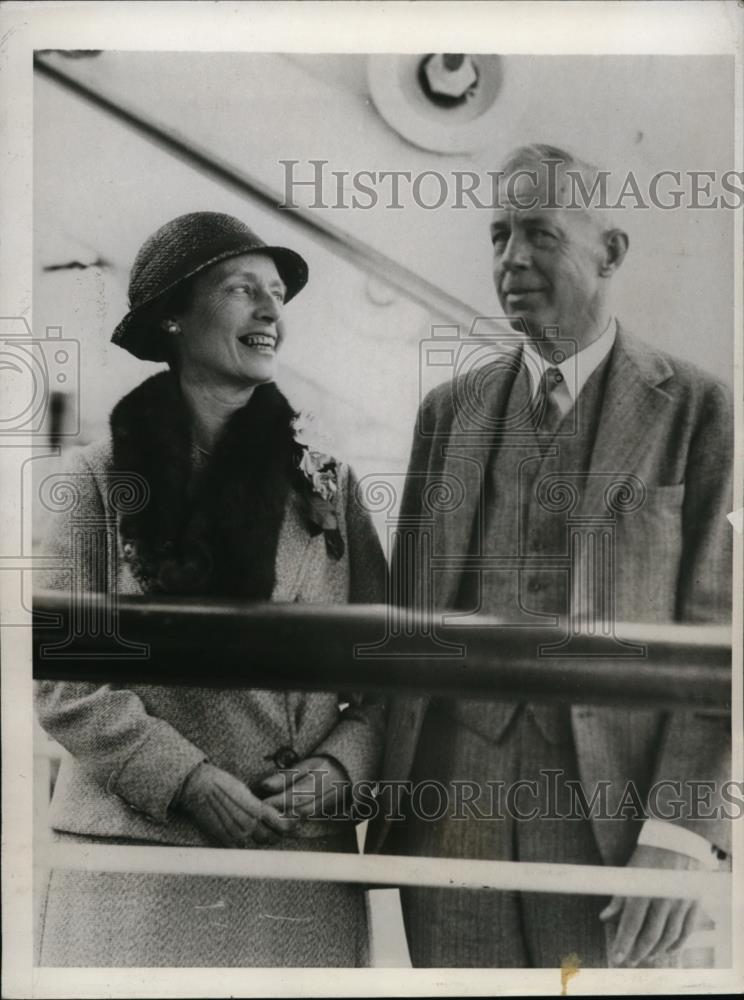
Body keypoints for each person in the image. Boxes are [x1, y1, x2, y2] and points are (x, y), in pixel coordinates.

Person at [368, 145, 732, 968]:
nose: (511, 260)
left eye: (538, 233)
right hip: (448, 819)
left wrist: (682, 831)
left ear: (611, 250)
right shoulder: (446, 412)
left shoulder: (703, 412)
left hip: (620, 831)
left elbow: (727, 642)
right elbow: (402, 625)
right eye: (497, 236)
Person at [35, 211, 387, 967]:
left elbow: (392, 668)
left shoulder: (330, 482)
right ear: (171, 318)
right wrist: (189, 780)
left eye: (277, 294)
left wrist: (338, 771)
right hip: (136, 864)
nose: (270, 311)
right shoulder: (96, 480)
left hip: (299, 866)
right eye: (241, 289)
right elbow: (66, 679)